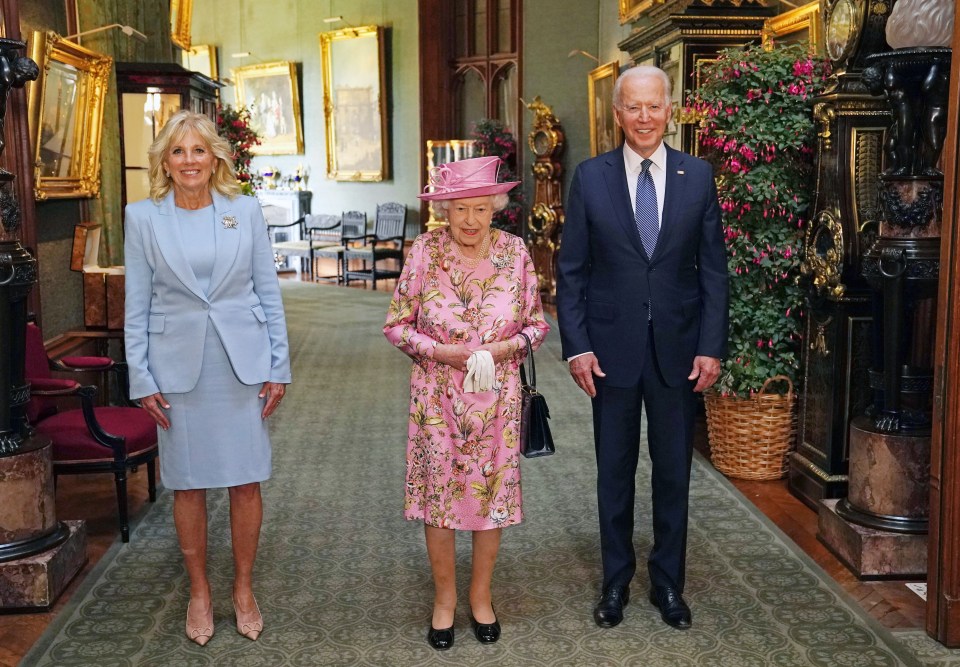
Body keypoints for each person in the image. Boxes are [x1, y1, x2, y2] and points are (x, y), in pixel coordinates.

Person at [556, 66, 729, 631]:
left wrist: (711, 346)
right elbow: (572, 270)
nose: (646, 118)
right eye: (634, 108)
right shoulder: (590, 177)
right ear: (617, 113)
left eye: (655, 106)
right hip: (610, 352)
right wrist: (577, 348)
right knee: (615, 472)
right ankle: (614, 584)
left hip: (680, 354)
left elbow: (714, 274)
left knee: (675, 473)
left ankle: (668, 585)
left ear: (669, 109)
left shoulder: (698, 176)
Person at [124, 110, 291, 646]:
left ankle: (243, 588)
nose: (189, 161)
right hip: (177, 370)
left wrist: (277, 366)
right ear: (165, 162)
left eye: (199, 150)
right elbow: (137, 306)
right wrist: (141, 377)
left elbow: (268, 291)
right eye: (178, 152)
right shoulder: (143, 218)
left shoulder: (243, 211)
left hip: (241, 364)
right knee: (188, 483)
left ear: (215, 156)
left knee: (246, 479)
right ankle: (199, 590)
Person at [384, 156, 549, 650]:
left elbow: (537, 326)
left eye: (481, 208)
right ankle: (444, 601)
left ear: (496, 207)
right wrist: (442, 352)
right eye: (461, 210)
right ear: (445, 211)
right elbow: (396, 324)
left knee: (490, 498)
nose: (471, 220)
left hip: (497, 397)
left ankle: (481, 597)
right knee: (440, 501)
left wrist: (500, 350)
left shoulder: (515, 252)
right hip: (437, 397)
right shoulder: (423, 251)